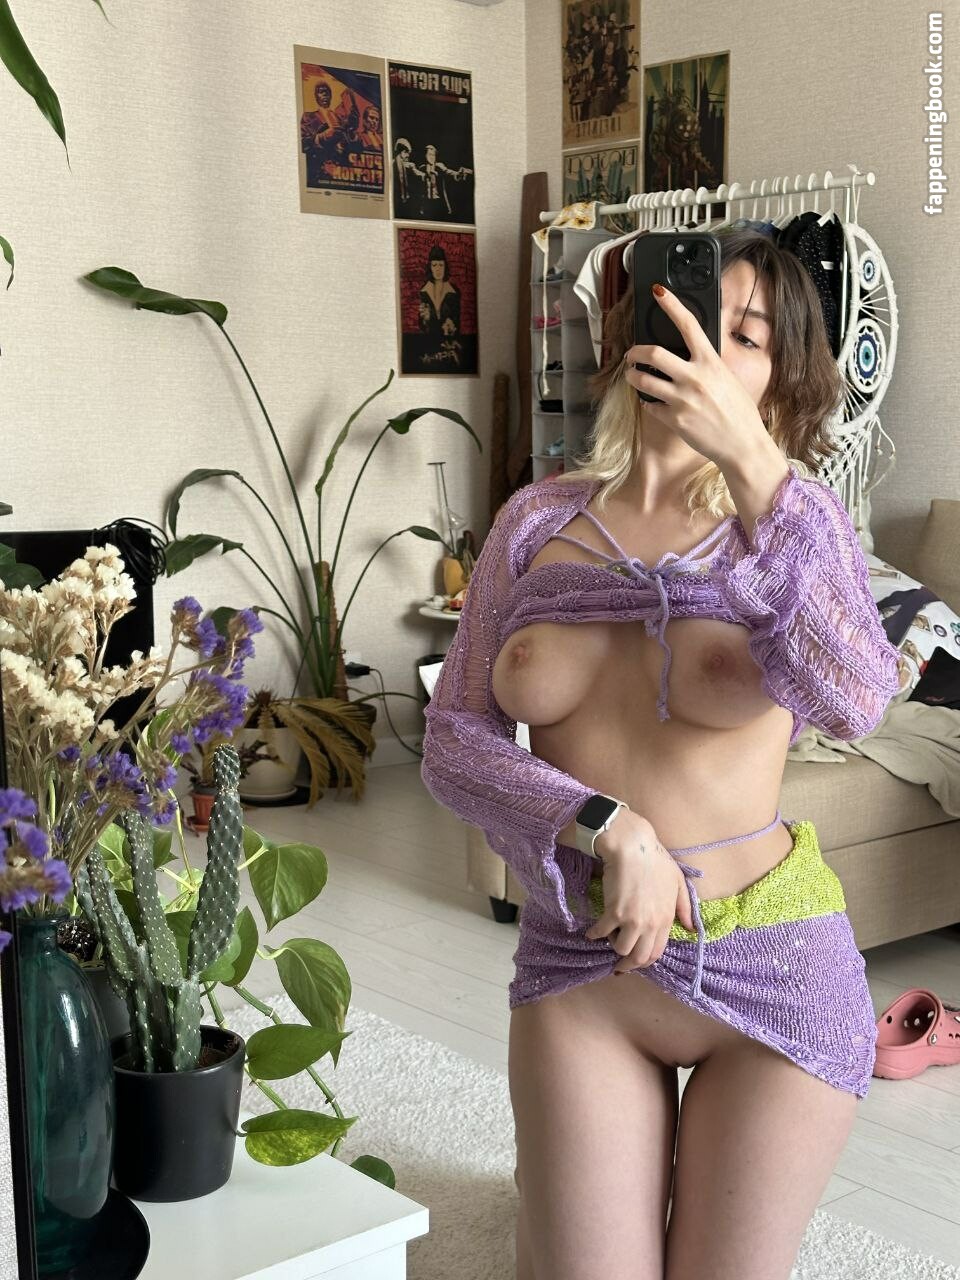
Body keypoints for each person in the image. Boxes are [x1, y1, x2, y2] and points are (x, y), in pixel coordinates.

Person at [420, 229, 905, 1280]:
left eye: (745, 336)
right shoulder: (534, 522)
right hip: (584, 960)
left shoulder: (797, 527)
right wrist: (600, 822)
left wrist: (757, 471)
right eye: (684, 314)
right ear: (630, 333)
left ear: (783, 381)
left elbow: (858, 696)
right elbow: (452, 738)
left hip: (775, 965)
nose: (703, 347)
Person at [416, 244, 462, 370]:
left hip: (449, 345)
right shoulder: (424, 292)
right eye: (434, 265)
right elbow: (422, 326)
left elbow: (457, 321)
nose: (438, 269)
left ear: (445, 267)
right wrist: (424, 319)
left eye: (441, 265)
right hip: (429, 345)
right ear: (430, 267)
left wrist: (452, 325)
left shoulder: (454, 292)